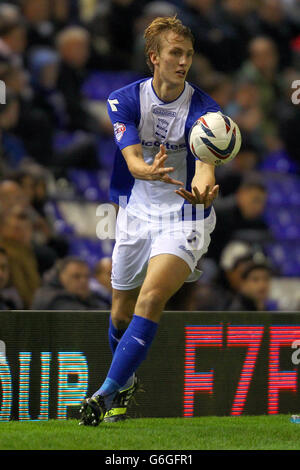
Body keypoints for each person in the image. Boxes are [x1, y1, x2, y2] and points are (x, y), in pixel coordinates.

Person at [79, 16, 220, 426]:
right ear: (154, 57)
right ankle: (124, 387)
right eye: (175, 53)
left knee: (152, 298)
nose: (183, 62)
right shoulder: (122, 99)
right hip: (137, 210)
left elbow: (205, 168)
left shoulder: (204, 110)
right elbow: (133, 161)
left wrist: (203, 189)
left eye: (189, 54)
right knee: (120, 312)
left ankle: (103, 393)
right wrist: (146, 170)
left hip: (185, 212)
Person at [31, 256, 109, 310]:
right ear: (61, 276)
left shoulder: (87, 295)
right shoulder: (52, 298)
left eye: (86, 276)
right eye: (76, 276)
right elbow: (86, 318)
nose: (83, 281)